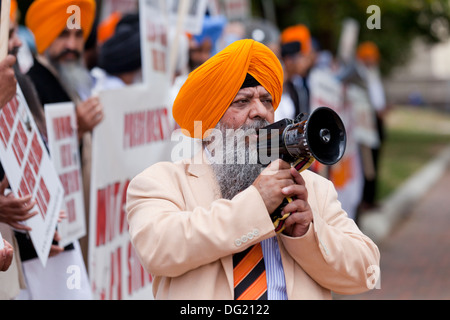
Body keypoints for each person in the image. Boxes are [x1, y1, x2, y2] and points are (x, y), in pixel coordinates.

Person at [126, 39, 380, 300]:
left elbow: (367, 272)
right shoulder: (160, 182)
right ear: (211, 117)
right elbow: (159, 250)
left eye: (267, 100)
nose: (260, 111)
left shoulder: (311, 188)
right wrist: (257, 205)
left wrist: (307, 234)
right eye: (242, 101)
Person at [25, 0, 102, 264]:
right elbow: (32, 167)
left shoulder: (72, 80)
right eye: (63, 34)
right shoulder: (32, 86)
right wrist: (75, 131)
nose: (72, 45)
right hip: (52, 242)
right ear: (46, 35)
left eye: (78, 35)